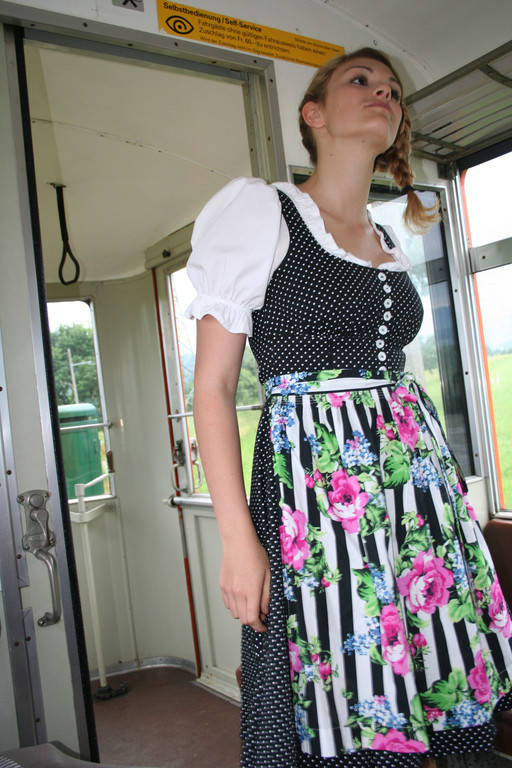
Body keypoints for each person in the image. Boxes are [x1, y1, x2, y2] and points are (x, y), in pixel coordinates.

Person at [185, 47, 512, 768]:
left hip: (412, 490)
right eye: (360, 81)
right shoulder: (262, 210)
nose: (383, 93)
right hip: (317, 487)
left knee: (428, 655)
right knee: (343, 654)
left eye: (392, 89)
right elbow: (213, 389)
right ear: (314, 114)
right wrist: (237, 540)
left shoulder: (387, 238)